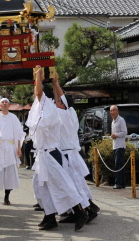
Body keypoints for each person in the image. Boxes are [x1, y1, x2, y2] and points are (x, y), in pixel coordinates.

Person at [26, 66, 88, 231]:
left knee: (64, 185)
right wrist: (53, 82)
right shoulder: (49, 107)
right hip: (44, 155)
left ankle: (81, 211)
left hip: (52, 154)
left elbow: (39, 94)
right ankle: (49, 216)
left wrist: (38, 77)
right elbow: (44, 95)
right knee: (43, 187)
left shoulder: (53, 110)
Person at [51, 71, 100, 224]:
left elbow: (60, 99)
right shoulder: (71, 112)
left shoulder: (63, 114)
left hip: (67, 156)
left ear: (62, 105)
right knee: (78, 183)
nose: (55, 102)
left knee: (73, 185)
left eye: (58, 101)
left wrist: (55, 83)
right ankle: (85, 208)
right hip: (72, 154)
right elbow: (61, 98)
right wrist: (55, 83)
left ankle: (88, 210)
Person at [0, 98, 24, 205]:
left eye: (6, 102)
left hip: (10, 147)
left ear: (9, 105)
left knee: (9, 173)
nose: (4, 103)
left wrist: (19, 148)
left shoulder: (13, 118)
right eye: (2, 102)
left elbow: (19, 134)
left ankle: (6, 196)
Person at [110, 105, 128, 189]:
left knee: (118, 165)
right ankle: (123, 183)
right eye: (111, 111)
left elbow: (125, 132)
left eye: (113, 110)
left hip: (120, 146)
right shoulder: (112, 122)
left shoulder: (121, 120)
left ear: (117, 111)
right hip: (115, 145)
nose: (112, 112)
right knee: (119, 165)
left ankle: (118, 183)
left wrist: (116, 135)